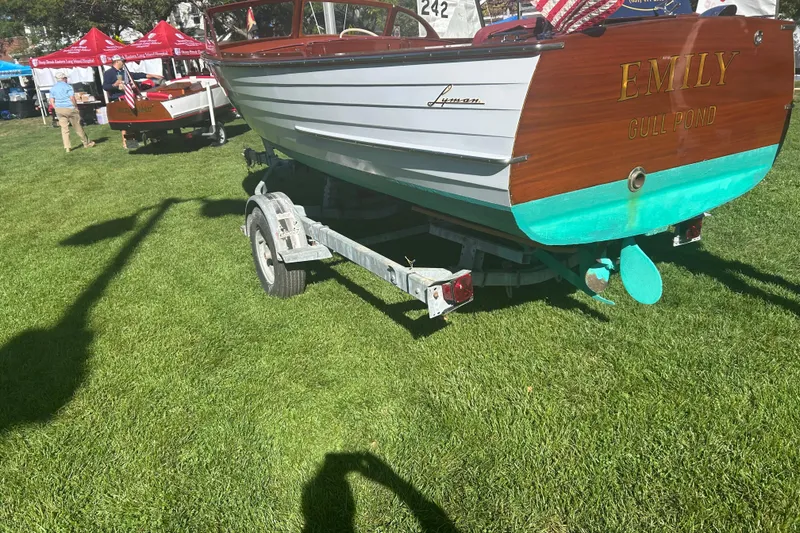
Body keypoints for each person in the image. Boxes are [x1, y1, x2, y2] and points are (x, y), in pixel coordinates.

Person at [102, 55, 163, 148]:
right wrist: (114, 85)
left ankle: (133, 142)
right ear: (117, 61)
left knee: (132, 120)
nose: (124, 63)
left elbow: (137, 75)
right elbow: (105, 86)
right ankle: (127, 143)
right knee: (125, 123)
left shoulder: (124, 72)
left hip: (129, 97)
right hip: (118, 99)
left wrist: (153, 76)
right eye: (122, 61)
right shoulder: (109, 73)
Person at [49, 72, 95, 153]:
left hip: (59, 109)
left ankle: (67, 147)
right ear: (63, 78)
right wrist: (76, 106)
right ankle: (86, 143)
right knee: (77, 126)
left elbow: (51, 100)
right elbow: (72, 98)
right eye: (66, 78)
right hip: (69, 108)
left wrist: (55, 107)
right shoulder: (68, 86)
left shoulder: (53, 88)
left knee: (64, 129)